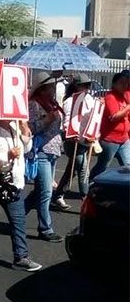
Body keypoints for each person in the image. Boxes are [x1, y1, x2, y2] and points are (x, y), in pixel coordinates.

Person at [0, 119, 42, 271]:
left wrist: (25, 130)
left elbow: (26, 150)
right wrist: (6, 155)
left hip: (13, 184)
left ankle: (21, 257)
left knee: (18, 221)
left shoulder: (15, 127)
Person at [25, 71, 64, 243]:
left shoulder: (52, 103)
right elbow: (30, 129)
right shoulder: (34, 104)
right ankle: (45, 228)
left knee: (40, 191)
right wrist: (47, 120)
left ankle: (17, 215)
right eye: (50, 86)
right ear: (42, 89)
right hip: (41, 150)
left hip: (53, 150)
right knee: (46, 191)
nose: (54, 88)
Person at [52, 73, 94, 210]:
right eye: (84, 85)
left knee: (73, 169)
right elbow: (67, 120)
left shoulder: (89, 99)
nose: (87, 88)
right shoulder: (70, 101)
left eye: (88, 85)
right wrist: (70, 133)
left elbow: (94, 117)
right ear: (76, 86)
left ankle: (58, 195)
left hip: (85, 139)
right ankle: (85, 199)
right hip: (73, 141)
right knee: (81, 169)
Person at [89, 72, 130, 180]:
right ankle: (92, 183)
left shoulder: (124, 97)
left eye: (126, 83)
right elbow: (114, 117)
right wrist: (128, 107)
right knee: (103, 166)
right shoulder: (111, 97)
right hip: (110, 140)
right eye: (121, 83)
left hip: (124, 139)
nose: (124, 86)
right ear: (114, 84)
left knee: (128, 166)